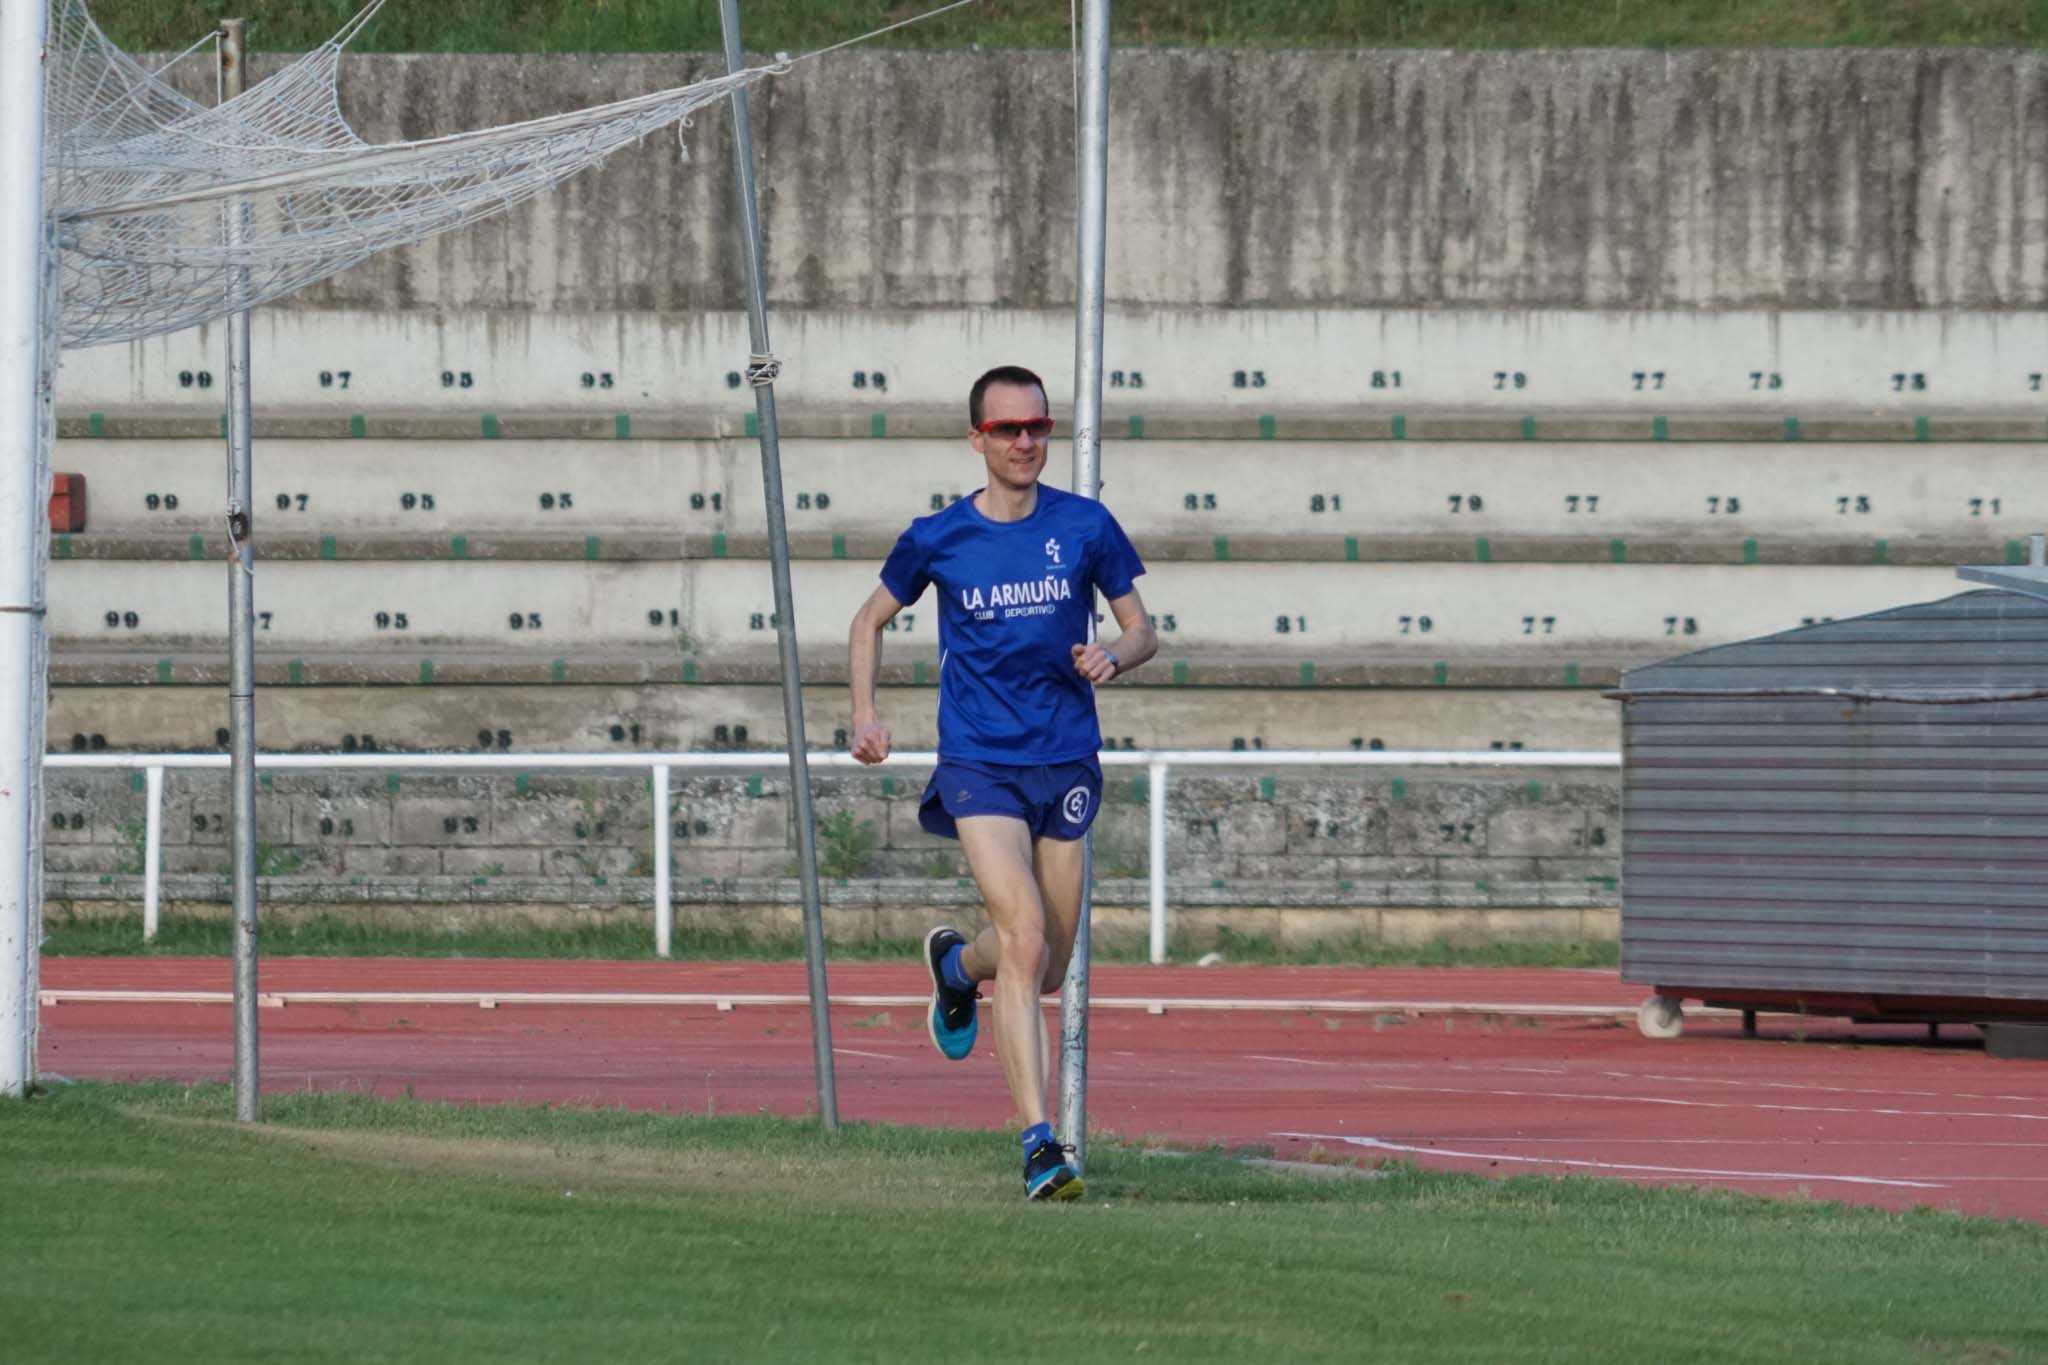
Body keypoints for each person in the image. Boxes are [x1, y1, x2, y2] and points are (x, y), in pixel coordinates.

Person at [847, 364, 1156, 1200]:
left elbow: (1142, 630)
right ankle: (1039, 1145)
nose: (1026, 441)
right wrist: (865, 715)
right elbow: (867, 620)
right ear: (977, 438)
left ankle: (956, 967)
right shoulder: (940, 535)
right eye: (1008, 429)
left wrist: (1113, 656)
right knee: (1023, 937)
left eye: (1038, 427)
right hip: (980, 762)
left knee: (1044, 963)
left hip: (1066, 761)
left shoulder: (1085, 525)